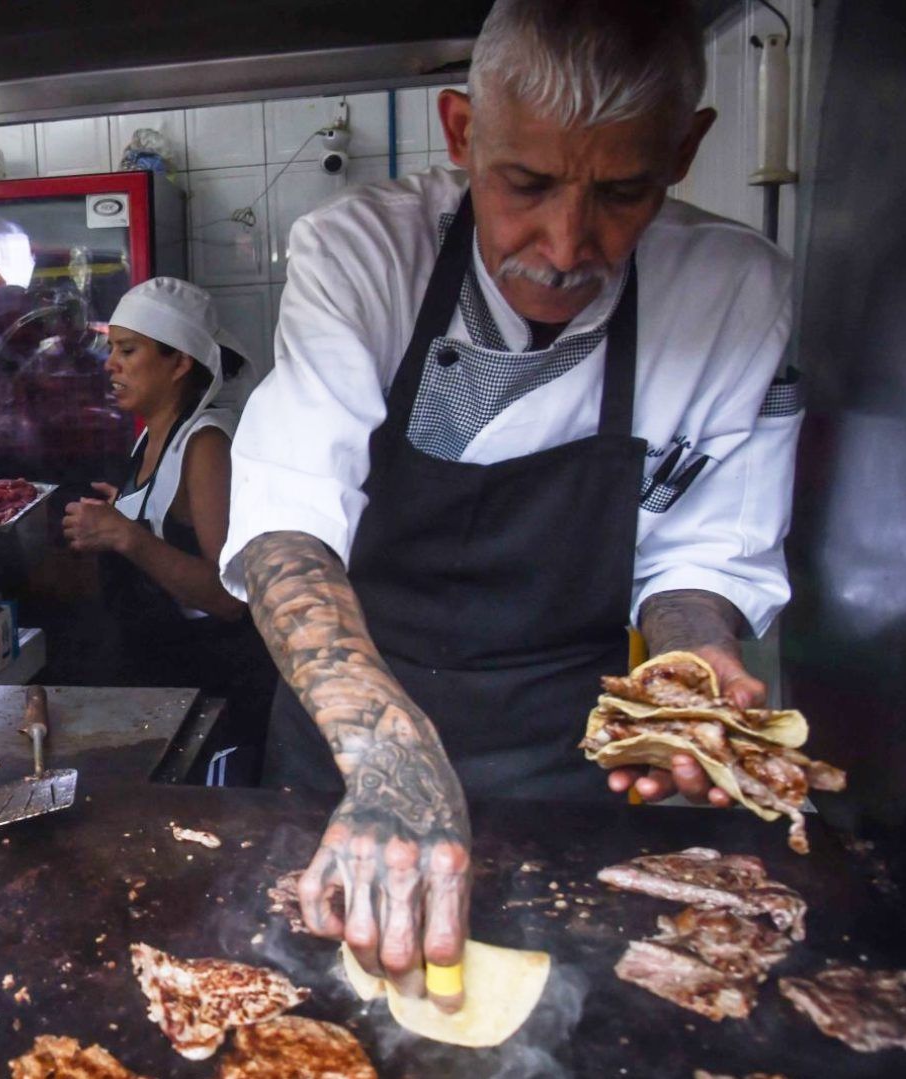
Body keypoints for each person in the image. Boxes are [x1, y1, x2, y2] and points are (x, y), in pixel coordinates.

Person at [220, 0, 804, 1012]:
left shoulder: (731, 291)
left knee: (564, 1017)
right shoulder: (363, 253)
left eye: (622, 191)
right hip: (348, 746)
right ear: (460, 132)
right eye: (524, 184)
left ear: (684, 150)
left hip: (557, 760)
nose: (566, 242)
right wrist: (389, 751)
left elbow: (700, 556)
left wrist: (685, 676)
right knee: (315, 1013)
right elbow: (286, 525)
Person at [62, 278, 276, 774]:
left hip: (217, 698)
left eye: (128, 350)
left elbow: (229, 597)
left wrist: (125, 534)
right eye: (110, 348)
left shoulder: (206, 444)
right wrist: (125, 513)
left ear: (180, 363)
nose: (110, 364)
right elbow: (171, 520)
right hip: (166, 685)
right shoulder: (155, 436)